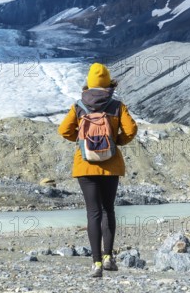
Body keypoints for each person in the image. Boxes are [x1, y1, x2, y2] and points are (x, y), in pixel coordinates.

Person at [58, 63, 138, 278]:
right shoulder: (117, 106)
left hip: (85, 165)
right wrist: (115, 141)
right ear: (108, 83)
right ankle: (109, 257)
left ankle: (96, 264)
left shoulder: (78, 106)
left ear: (89, 84)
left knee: (93, 212)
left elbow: (63, 130)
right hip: (111, 164)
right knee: (108, 210)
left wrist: (83, 141)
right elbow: (132, 129)